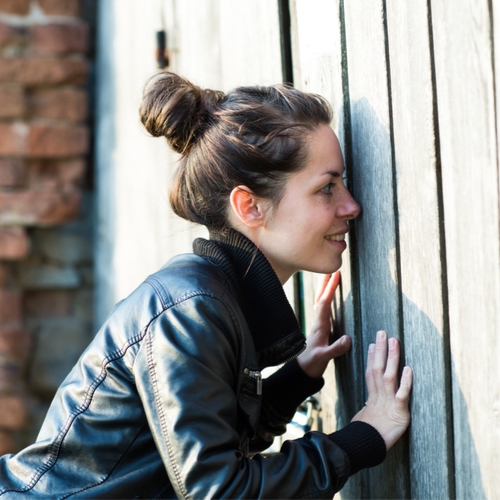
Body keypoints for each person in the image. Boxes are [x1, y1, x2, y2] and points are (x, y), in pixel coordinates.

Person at [0, 72, 412, 499]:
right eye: (326, 187)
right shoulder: (190, 311)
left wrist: (299, 374)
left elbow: (209, 445)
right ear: (249, 206)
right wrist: (365, 436)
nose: (351, 205)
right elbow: (220, 490)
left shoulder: (211, 301)